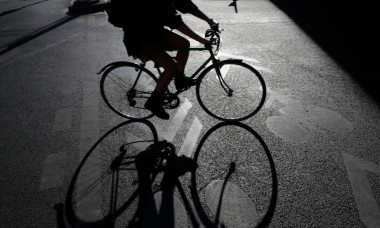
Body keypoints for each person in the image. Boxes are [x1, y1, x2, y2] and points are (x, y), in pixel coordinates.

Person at [123, 0, 218, 119]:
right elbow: (175, 21)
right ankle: (153, 102)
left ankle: (179, 78)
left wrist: (208, 20)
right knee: (171, 67)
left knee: (183, 43)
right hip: (140, 38)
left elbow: (186, 5)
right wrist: (202, 40)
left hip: (154, 31)